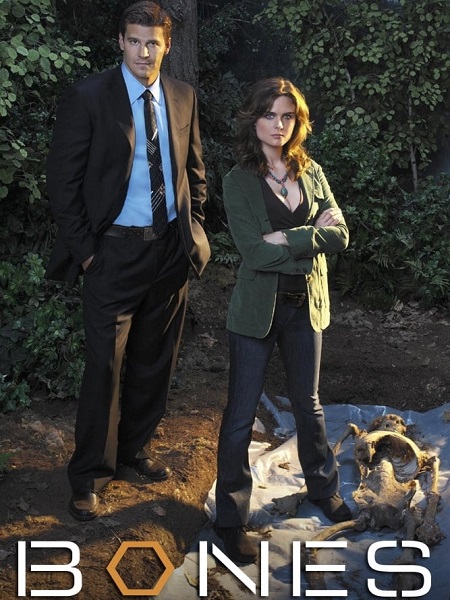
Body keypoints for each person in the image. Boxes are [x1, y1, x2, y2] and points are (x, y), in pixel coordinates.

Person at [45, 1, 210, 521]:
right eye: (134, 41)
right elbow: (63, 184)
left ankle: (133, 449)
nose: (143, 52)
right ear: (120, 42)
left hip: (169, 251)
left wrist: (193, 229)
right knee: (104, 366)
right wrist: (88, 252)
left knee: (155, 359)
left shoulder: (182, 96)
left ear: (167, 45)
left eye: (152, 43)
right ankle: (90, 475)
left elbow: (194, 171)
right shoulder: (89, 97)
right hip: (111, 253)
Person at [213, 77, 351, 563]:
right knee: (240, 414)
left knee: (308, 404)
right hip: (257, 310)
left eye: (287, 116)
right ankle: (230, 520)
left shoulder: (311, 171)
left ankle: (323, 488)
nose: (278, 125)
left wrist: (286, 238)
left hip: (305, 306)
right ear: (254, 120)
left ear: (298, 121)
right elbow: (253, 252)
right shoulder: (238, 180)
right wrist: (312, 234)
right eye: (269, 115)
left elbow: (342, 236)